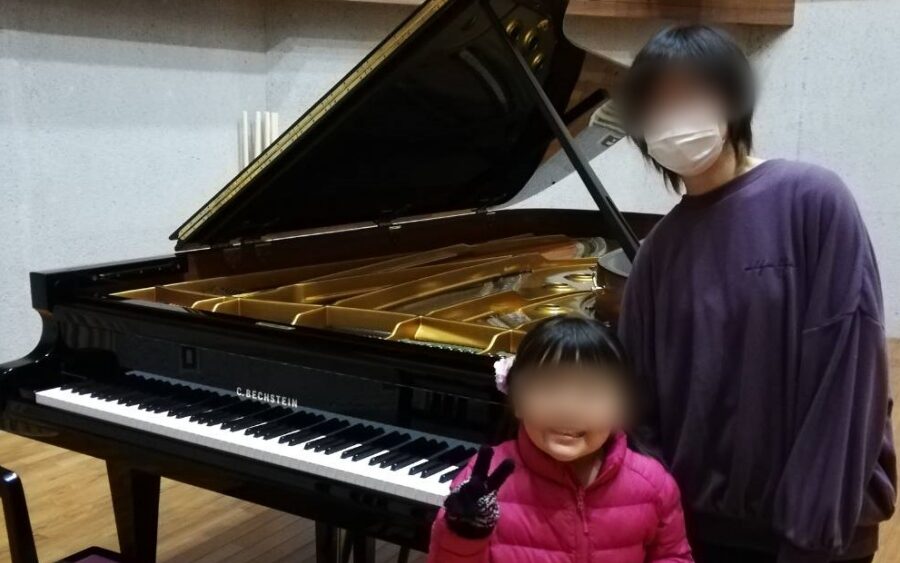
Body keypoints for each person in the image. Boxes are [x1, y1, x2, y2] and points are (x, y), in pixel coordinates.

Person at [616, 25, 896, 563]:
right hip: (701, 530)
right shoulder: (657, 251)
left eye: (690, 93)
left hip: (817, 530)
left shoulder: (812, 200)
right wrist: (663, 515)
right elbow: (639, 403)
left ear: (732, 99)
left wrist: (811, 530)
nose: (672, 114)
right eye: (656, 103)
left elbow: (848, 370)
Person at [427, 316, 693, 562]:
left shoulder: (653, 484)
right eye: (548, 388)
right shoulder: (485, 480)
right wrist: (464, 534)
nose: (568, 409)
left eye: (590, 393)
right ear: (518, 401)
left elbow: (673, 557)